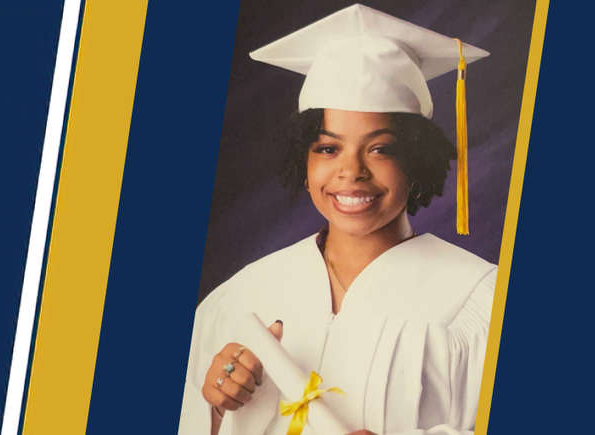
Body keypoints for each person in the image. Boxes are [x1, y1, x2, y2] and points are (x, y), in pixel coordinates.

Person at [179, 4, 497, 434]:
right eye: (328, 149)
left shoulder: (481, 302)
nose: (352, 172)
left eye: (381, 148)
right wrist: (214, 410)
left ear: (416, 161)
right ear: (304, 164)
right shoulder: (237, 300)